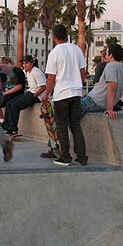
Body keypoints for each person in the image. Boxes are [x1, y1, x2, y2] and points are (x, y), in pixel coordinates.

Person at [42, 24, 88, 166]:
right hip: (76, 94)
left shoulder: (55, 53)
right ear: (67, 35)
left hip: (61, 94)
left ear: (54, 37)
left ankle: (65, 156)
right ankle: (81, 157)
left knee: (62, 126)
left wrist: (46, 95)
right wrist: (78, 85)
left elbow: (51, 78)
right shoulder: (77, 50)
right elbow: (82, 73)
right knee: (75, 126)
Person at [80, 44, 123, 118]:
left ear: (111, 55)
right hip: (101, 105)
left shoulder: (111, 66)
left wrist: (110, 110)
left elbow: (112, 88)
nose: (105, 56)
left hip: (94, 100)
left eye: (106, 53)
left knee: (68, 108)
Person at [3, 55, 46, 135]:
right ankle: (7, 126)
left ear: (32, 63)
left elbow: (43, 87)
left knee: (15, 105)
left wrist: (34, 96)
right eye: (23, 63)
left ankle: (14, 129)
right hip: (30, 92)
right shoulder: (28, 72)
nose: (25, 65)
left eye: (27, 63)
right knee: (9, 103)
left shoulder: (36, 72)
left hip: (36, 95)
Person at [0, 56, 26, 125]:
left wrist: (6, 93)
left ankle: (5, 123)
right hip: (8, 91)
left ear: (10, 62)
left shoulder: (18, 71)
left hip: (16, 93)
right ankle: (2, 121)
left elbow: (19, 86)